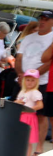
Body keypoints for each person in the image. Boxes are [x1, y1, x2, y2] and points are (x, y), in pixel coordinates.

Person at [22, 10, 53, 144]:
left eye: (46, 19)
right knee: (48, 115)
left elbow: (46, 61)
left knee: (43, 115)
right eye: (42, 19)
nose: (42, 21)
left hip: (45, 80)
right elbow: (45, 57)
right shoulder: (32, 38)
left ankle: (40, 147)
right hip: (36, 81)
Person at [17, 69, 45, 156]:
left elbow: (40, 105)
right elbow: (17, 102)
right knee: (20, 140)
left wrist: (29, 109)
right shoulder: (22, 92)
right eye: (28, 80)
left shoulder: (35, 93)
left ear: (37, 81)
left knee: (27, 141)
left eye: (33, 80)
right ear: (24, 80)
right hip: (21, 116)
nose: (30, 82)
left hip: (29, 117)